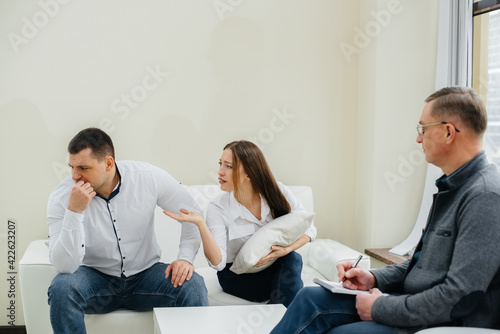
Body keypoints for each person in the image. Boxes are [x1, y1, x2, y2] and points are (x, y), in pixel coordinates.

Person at [270, 87, 500, 333]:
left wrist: (379, 307)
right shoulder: (451, 187)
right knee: (309, 298)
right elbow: (418, 266)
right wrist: (373, 278)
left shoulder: (484, 197)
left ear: (447, 132)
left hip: (440, 323)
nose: (418, 139)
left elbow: (459, 297)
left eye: (423, 128)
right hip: (409, 303)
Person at [47, 128, 208, 334]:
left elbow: (193, 213)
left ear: (108, 163)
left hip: (145, 276)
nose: (75, 176)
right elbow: (65, 266)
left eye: (83, 168)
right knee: (62, 288)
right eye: (72, 167)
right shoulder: (62, 197)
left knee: (193, 284)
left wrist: (186, 258)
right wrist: (74, 212)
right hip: (95, 279)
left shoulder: (147, 177)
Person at [165, 140, 317, 307]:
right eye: (220, 164)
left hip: (272, 267)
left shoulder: (277, 191)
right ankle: (288, 317)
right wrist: (201, 224)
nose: (220, 172)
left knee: (292, 258)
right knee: (291, 286)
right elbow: (218, 263)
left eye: (228, 166)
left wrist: (285, 250)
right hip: (236, 276)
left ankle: (280, 317)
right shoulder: (218, 208)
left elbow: (309, 228)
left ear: (249, 174)